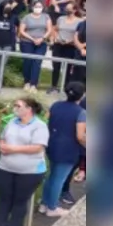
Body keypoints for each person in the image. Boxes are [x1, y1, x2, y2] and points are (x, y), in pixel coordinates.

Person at [0, 98, 49, 226]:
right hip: (6, 167)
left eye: (18, 106)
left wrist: (13, 149)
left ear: (29, 109)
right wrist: (2, 145)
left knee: (20, 200)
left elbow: (38, 147)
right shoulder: (12, 122)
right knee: (4, 198)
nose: (15, 108)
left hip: (29, 171)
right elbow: (3, 137)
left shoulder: (39, 126)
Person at [40, 82, 86, 217]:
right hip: (68, 150)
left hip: (52, 145)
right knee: (59, 179)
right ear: (81, 95)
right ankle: (52, 207)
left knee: (51, 176)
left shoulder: (55, 105)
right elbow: (80, 136)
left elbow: (45, 122)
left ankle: (44, 203)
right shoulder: (81, 113)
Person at [18, 1, 54, 93]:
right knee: (28, 61)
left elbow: (49, 29)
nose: (38, 8)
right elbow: (22, 31)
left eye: (40, 6)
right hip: (27, 42)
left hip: (42, 43)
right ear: (32, 7)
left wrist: (42, 38)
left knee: (37, 62)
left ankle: (33, 84)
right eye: (36, 6)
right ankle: (27, 82)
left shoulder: (46, 17)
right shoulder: (27, 17)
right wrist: (32, 39)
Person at [48, 1, 83, 94]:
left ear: (75, 10)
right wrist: (55, 38)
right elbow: (55, 29)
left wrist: (71, 41)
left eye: (69, 8)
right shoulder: (61, 18)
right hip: (58, 45)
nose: (67, 9)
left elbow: (79, 35)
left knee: (68, 68)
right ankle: (54, 86)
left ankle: (65, 87)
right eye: (66, 8)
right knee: (56, 66)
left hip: (71, 47)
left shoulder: (79, 21)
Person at [0, 0, 20, 83]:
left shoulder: (14, 17)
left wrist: (17, 35)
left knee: (3, 62)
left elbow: (19, 25)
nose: (8, 8)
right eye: (6, 7)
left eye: (9, 7)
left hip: (8, 43)